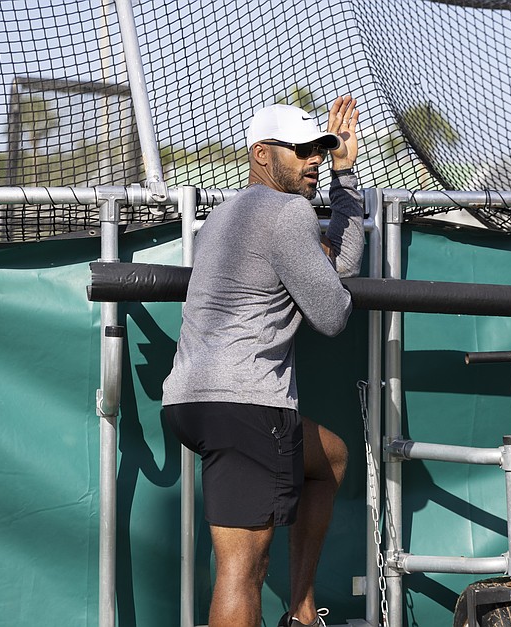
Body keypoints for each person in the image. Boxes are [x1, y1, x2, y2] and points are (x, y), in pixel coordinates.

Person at [161, 96, 364, 627]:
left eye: (319, 149)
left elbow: (334, 261)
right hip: (244, 405)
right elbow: (333, 312)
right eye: (301, 151)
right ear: (261, 154)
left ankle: (300, 610)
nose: (315, 159)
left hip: (191, 401)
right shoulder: (289, 212)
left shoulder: (224, 215)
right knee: (242, 570)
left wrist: (344, 182)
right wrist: (338, 291)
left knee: (331, 459)